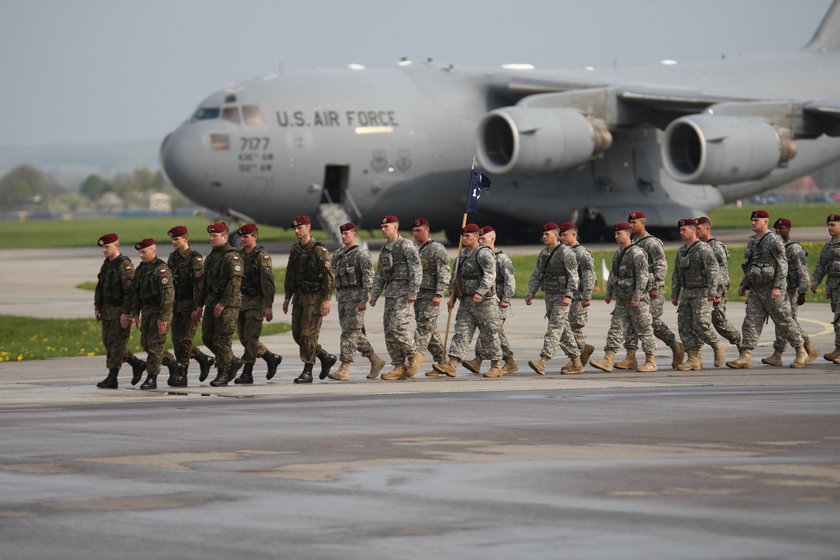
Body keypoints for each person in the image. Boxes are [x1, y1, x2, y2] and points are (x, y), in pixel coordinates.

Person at [726, 210, 807, 369]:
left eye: (756, 220)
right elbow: (750, 265)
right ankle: (746, 356)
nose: (753, 223)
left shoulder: (773, 240)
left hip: (773, 290)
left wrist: (777, 286)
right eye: (752, 220)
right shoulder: (752, 241)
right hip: (757, 290)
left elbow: (783, 265)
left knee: (784, 322)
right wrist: (744, 284)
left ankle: (800, 351)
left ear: (765, 222)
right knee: (750, 321)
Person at [433, 223, 504, 378]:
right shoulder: (462, 255)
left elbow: (490, 275)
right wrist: (452, 297)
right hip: (466, 302)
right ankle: (452, 364)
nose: (465, 238)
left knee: (489, 334)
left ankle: (496, 365)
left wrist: (481, 291)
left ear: (477, 237)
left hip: (485, 303)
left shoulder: (484, 254)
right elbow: (456, 277)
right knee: (461, 333)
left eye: (468, 236)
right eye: (463, 236)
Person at [617, 211, 684, 369]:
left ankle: (674, 345)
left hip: (651, 290)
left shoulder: (651, 242)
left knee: (651, 322)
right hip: (636, 290)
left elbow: (661, 265)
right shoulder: (631, 242)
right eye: (630, 223)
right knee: (633, 321)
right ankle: (630, 357)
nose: (632, 226)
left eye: (635, 223)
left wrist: (655, 286)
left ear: (643, 223)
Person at [590, 222, 658, 372]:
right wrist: (608, 293)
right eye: (615, 234)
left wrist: (638, 296)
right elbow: (614, 275)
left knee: (644, 329)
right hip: (622, 299)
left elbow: (643, 277)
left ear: (628, 234)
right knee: (616, 328)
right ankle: (608, 359)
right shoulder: (618, 253)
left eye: (619, 233)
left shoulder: (637, 253)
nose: (616, 236)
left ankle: (651, 361)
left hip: (637, 300)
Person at [329, 221, 386, 381]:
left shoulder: (362, 253)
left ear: (354, 234)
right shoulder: (338, 254)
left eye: (347, 233)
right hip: (342, 299)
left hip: (356, 300)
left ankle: (344, 368)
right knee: (355, 333)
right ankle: (376, 360)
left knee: (348, 333)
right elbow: (332, 276)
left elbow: (369, 277)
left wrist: (364, 299)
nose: (343, 236)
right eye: (342, 233)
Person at [370, 215, 424, 380]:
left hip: (405, 293)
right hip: (391, 293)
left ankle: (414, 354)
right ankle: (398, 366)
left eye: (386, 227)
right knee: (389, 331)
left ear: (395, 227)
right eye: (382, 227)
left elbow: (417, 270)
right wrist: (374, 295)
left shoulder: (406, 246)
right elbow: (380, 274)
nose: (383, 229)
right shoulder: (385, 249)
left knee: (397, 328)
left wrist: (413, 292)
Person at [283, 215, 336, 384]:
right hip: (299, 297)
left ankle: (308, 370)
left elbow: (329, 276)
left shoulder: (319, 250)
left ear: (308, 227)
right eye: (295, 228)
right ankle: (324, 356)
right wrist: (287, 296)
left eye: (300, 227)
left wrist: (326, 299)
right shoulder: (295, 250)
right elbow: (290, 275)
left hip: (314, 298)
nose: (297, 231)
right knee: (298, 335)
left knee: (308, 334)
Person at [525, 222, 581, 375]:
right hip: (549, 295)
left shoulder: (566, 252)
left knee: (554, 328)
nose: (544, 237)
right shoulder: (544, 254)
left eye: (547, 234)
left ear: (556, 235)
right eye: (543, 234)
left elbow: (574, 277)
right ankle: (576, 361)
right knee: (564, 330)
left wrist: (569, 295)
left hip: (562, 297)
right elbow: (537, 274)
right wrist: (531, 292)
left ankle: (543, 361)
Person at [669, 219, 726, 371]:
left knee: (700, 324)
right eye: (680, 230)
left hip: (703, 292)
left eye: (684, 230)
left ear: (693, 230)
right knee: (684, 327)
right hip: (687, 293)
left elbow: (713, 271)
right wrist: (675, 294)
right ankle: (693, 359)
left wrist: (713, 292)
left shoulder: (703, 249)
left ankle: (717, 345)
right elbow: (677, 273)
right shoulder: (681, 251)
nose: (681, 233)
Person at [762, 218, 819, 366]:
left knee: (788, 321)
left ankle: (797, 351)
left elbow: (803, 273)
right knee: (784, 321)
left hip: (792, 290)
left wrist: (803, 292)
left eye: (782, 228)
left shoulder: (795, 249)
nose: (778, 231)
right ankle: (789, 351)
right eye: (776, 229)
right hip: (780, 289)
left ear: (789, 229)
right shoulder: (776, 246)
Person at [461, 226, 517, 375]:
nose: (480, 241)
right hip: (486, 301)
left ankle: (481, 360)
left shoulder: (501, 258)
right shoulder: (478, 256)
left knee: (489, 331)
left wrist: (506, 299)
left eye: (483, 239)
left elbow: (510, 280)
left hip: (498, 301)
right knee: (494, 332)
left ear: (492, 239)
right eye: (479, 239)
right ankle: (508, 361)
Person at [93, 233, 146, 389]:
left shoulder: (125, 265)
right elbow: (100, 288)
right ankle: (137, 363)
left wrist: (127, 313)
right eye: (103, 247)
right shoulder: (106, 265)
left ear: (116, 246)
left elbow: (130, 292)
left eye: (107, 247)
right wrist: (97, 306)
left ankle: (112, 377)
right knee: (108, 343)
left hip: (120, 310)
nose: (104, 250)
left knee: (117, 344)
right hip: (107, 310)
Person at [233, 223, 282, 384]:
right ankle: (270, 357)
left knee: (251, 338)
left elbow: (268, 283)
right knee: (244, 338)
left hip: (256, 302)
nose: (242, 239)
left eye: (246, 237)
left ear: (254, 237)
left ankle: (248, 372)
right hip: (242, 301)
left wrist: (268, 306)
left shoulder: (262, 257)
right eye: (241, 237)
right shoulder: (238, 255)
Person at [165, 225, 214, 386]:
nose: (173, 242)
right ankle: (202, 358)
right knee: (177, 340)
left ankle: (182, 374)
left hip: (190, 305)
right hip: (177, 304)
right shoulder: (173, 257)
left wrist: (198, 307)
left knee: (184, 341)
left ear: (185, 239)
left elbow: (200, 285)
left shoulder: (195, 258)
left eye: (176, 239)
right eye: (172, 239)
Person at [199, 222, 244, 386]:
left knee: (221, 339)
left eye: (214, 235)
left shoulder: (232, 257)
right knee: (207, 338)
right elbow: (204, 283)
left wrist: (223, 303)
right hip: (211, 303)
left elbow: (234, 282)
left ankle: (223, 372)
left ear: (224, 237)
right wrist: (199, 306)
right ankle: (232, 361)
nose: (211, 238)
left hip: (228, 305)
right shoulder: (212, 256)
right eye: (210, 235)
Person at [130, 238, 175, 390]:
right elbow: (136, 293)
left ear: (153, 251)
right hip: (147, 312)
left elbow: (168, 297)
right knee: (145, 344)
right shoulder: (141, 269)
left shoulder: (161, 270)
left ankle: (152, 377)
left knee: (155, 345)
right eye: (140, 252)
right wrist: (135, 312)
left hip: (159, 312)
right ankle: (173, 364)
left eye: (144, 252)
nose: (141, 255)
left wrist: (164, 318)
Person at [409, 217, 451, 376]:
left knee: (423, 328)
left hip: (431, 295)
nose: (415, 233)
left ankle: (415, 359)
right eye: (413, 231)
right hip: (417, 296)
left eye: (418, 230)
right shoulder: (413, 248)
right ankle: (443, 363)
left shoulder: (436, 248)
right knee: (431, 332)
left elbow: (444, 272)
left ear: (426, 230)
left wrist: (439, 293)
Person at [696, 217, 742, 348]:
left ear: (707, 229)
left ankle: (740, 342)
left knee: (719, 322)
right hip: (701, 290)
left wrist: (717, 293)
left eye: (698, 228)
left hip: (715, 291)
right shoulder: (698, 246)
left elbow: (722, 272)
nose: (696, 231)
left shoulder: (716, 247)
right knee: (697, 321)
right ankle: (695, 354)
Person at [559, 221, 596, 372]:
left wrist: (587, 296)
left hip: (579, 297)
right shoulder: (564, 251)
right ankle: (582, 351)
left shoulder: (582, 253)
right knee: (568, 328)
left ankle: (577, 359)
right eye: (560, 235)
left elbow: (589, 275)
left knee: (573, 328)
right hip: (568, 295)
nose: (561, 237)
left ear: (574, 234)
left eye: (565, 234)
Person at [811, 213, 840, 363]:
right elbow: (821, 266)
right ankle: (838, 348)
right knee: (837, 319)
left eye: (833, 225)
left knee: (839, 319)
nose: (830, 228)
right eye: (828, 225)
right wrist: (815, 281)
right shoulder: (828, 246)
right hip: (834, 288)